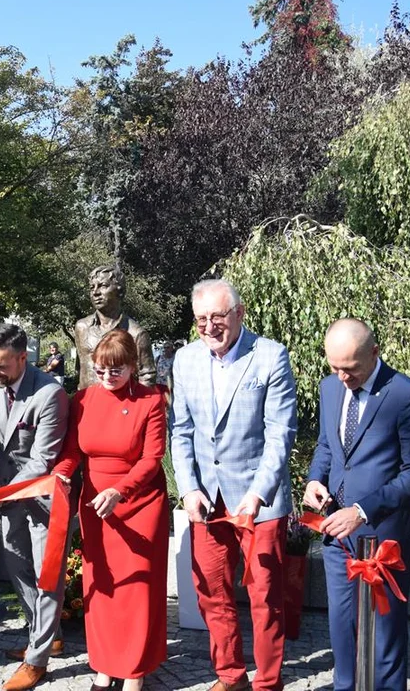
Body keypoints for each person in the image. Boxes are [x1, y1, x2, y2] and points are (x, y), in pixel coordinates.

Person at [170, 279, 297, 691]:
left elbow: (280, 434)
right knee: (212, 591)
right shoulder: (185, 359)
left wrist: (258, 494)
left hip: (259, 500)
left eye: (217, 317)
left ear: (239, 314)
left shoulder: (270, 356)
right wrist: (188, 489)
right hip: (207, 499)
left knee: (264, 598)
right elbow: (181, 432)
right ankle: (231, 676)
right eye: (201, 319)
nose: (209, 326)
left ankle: (268, 682)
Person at [303, 319, 410, 691]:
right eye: (334, 366)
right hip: (336, 536)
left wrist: (362, 510)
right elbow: (328, 447)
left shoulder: (405, 394)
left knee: (385, 634)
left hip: (384, 535)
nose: (342, 376)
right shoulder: (329, 388)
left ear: (374, 353)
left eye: (351, 368)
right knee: (342, 628)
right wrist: (315, 480)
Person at [51, 329, 168, 691]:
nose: (107, 378)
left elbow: (153, 458)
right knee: (100, 586)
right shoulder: (83, 398)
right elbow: (73, 451)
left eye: (115, 370)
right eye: (100, 370)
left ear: (133, 366)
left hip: (140, 504)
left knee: (137, 590)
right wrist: (62, 474)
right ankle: (104, 665)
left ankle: (134, 670)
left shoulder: (151, 400)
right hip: (96, 505)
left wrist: (121, 489)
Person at [0, 323, 70, 691]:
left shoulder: (51, 393)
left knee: (47, 575)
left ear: (24, 357)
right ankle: (45, 636)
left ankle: (36, 660)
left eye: (2, 366)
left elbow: (43, 459)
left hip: (43, 498)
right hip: (9, 497)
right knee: (16, 565)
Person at [73, 265, 157, 390]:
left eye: (103, 286)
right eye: (92, 287)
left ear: (120, 292)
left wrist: (137, 407)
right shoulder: (82, 327)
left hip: (122, 405)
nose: (95, 292)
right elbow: (80, 368)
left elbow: (147, 376)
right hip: (87, 403)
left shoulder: (136, 334)